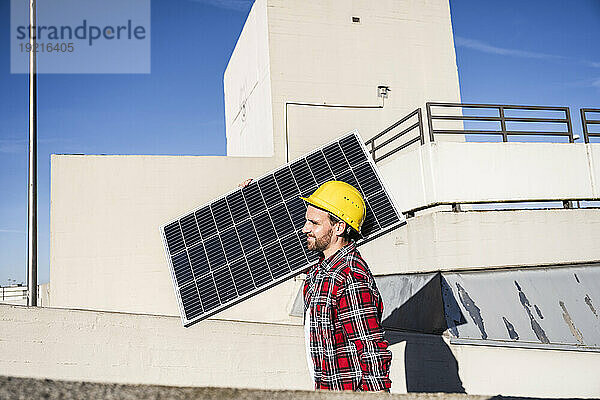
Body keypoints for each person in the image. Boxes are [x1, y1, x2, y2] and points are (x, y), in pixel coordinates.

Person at [300, 180, 392, 391]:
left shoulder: (350, 276)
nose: (305, 229)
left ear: (339, 227)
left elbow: (371, 348)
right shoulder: (320, 272)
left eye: (314, 223)